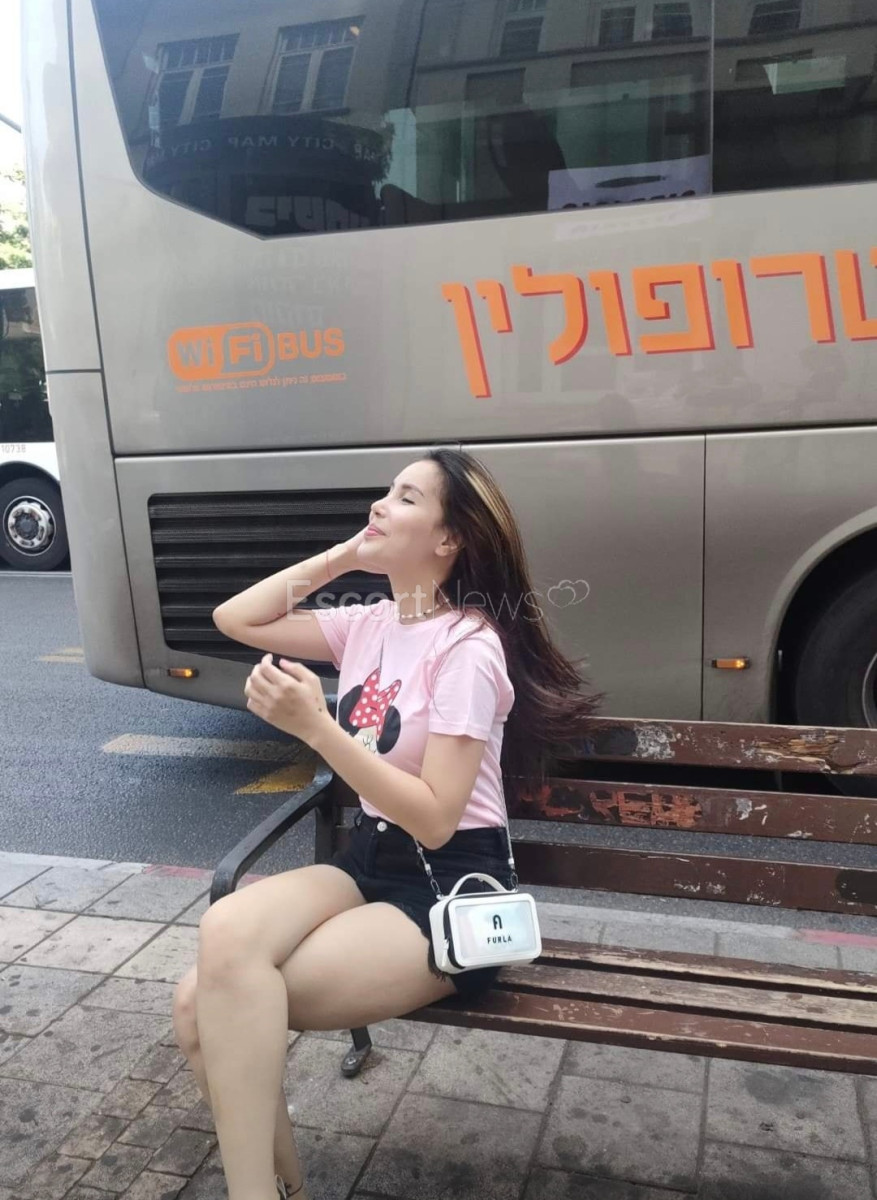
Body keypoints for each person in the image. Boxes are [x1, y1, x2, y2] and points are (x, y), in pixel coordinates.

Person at [172, 447, 601, 1200]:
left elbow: (436, 819)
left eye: (405, 498)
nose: (380, 504)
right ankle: (275, 1189)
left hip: (447, 886)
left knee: (215, 1001)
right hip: (368, 858)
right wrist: (346, 555)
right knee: (217, 959)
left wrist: (316, 727)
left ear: (449, 538)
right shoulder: (368, 624)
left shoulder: (468, 649)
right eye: (385, 492)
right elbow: (235, 618)